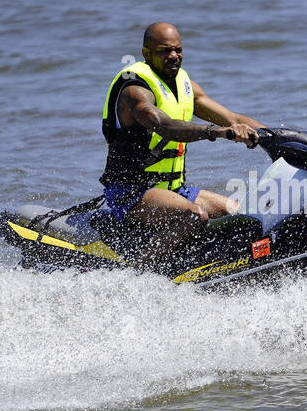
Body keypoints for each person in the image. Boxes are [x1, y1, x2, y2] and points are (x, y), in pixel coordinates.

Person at [100, 22, 265, 248]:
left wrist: (276, 137)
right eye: (165, 51)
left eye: (178, 49)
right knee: (194, 216)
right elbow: (165, 126)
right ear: (146, 53)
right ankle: (141, 271)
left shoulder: (185, 85)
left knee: (244, 213)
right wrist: (217, 133)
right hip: (132, 192)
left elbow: (233, 119)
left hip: (175, 190)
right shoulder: (134, 89)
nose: (174, 56)